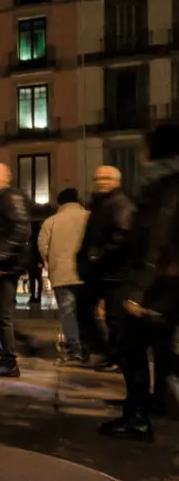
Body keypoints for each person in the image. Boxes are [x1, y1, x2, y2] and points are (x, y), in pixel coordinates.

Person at [99, 124, 179, 441]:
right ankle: (152, 405)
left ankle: (137, 418)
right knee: (161, 350)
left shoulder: (163, 187)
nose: (141, 158)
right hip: (163, 284)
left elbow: (158, 240)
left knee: (131, 346)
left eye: (144, 150)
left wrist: (138, 292)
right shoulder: (165, 184)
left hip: (155, 284)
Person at [77, 165, 134, 370]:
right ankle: (109, 353)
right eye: (98, 178)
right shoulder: (100, 204)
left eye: (106, 178)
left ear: (116, 181)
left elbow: (122, 235)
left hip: (114, 272)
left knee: (113, 318)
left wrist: (98, 254)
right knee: (85, 310)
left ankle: (116, 357)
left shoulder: (120, 203)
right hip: (99, 271)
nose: (101, 182)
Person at [0, 162, 31, 378]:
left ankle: (8, 361)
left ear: (6, 177)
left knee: (0, 314)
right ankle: (15, 345)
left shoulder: (10, 198)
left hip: (5, 268)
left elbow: (21, 230)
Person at [38, 188, 89, 363]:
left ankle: (75, 349)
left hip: (62, 273)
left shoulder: (51, 221)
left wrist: (50, 261)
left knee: (68, 312)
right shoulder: (89, 217)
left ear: (60, 203)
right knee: (86, 312)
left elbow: (42, 246)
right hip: (86, 273)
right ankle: (89, 347)